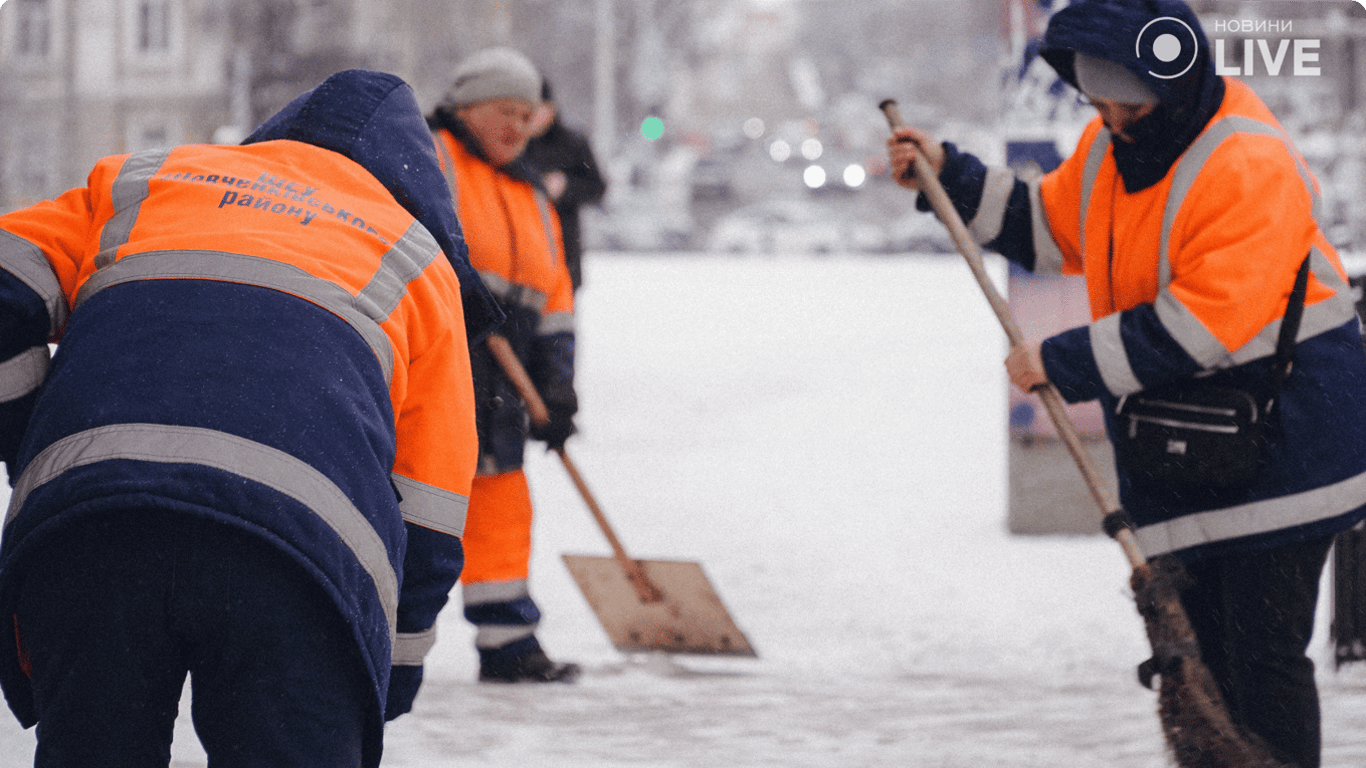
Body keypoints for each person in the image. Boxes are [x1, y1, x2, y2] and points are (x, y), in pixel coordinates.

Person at [885, 1, 1366, 766]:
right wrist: (953, 176)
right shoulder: (1114, 148)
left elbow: (1207, 323)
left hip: (1288, 441)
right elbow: (1050, 226)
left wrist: (1065, 361)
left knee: (1263, 656)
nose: (1112, 120)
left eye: (1127, 104)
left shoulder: (1246, 161)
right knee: (1205, 656)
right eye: (1097, 103)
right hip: (1204, 444)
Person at [0, 69, 492, 766]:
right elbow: (432, 505)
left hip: (91, 532)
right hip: (293, 560)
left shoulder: (151, 179)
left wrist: (38, 441)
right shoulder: (417, 259)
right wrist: (392, 667)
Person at [429, 47, 582, 683]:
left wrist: (558, 386)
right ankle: (372, 642)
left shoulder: (531, 196)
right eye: (503, 111)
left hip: (505, 380)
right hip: (438, 369)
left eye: (527, 115)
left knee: (502, 506)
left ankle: (510, 642)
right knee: (414, 501)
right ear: (467, 108)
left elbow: (555, 302)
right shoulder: (432, 159)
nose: (516, 127)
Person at [522, 78, 608, 292]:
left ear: (551, 108)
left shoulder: (572, 143)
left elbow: (598, 188)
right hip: (522, 252)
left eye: (538, 108)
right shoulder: (512, 144)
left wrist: (566, 187)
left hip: (563, 250)